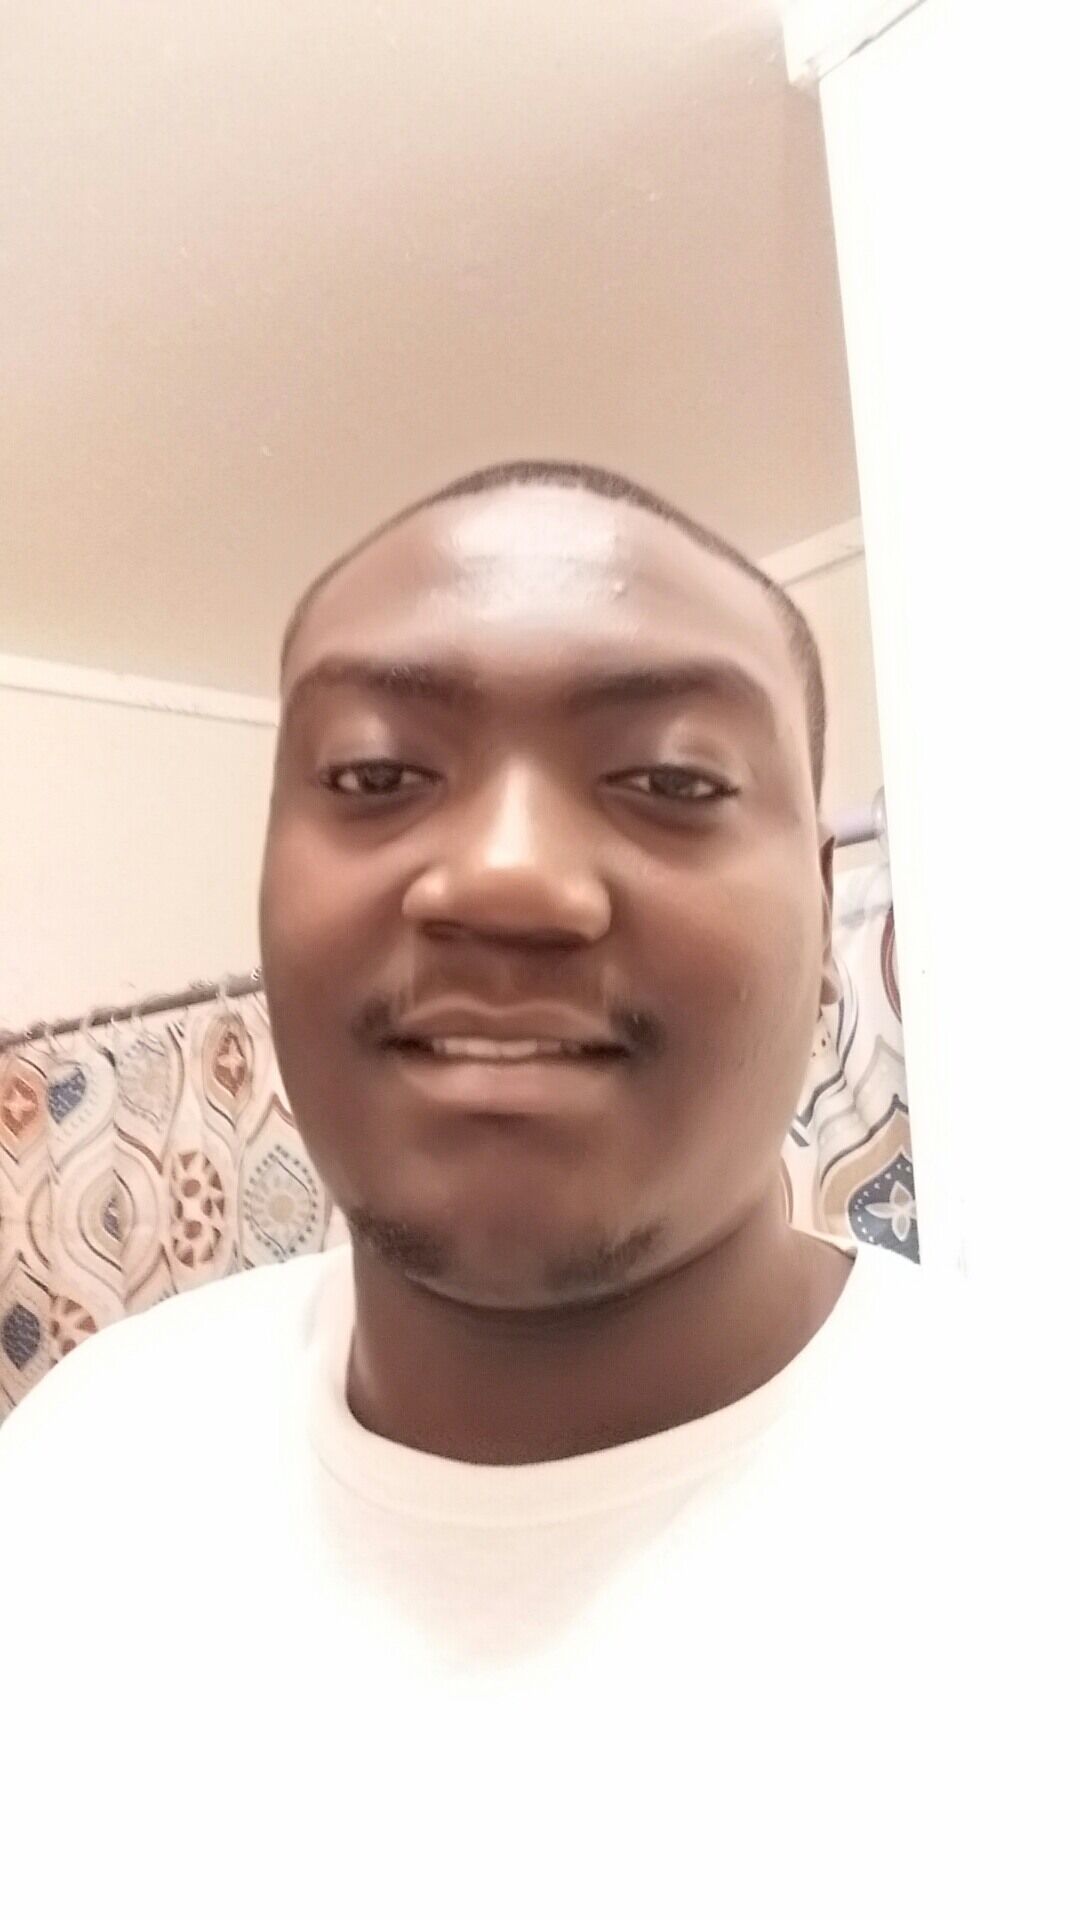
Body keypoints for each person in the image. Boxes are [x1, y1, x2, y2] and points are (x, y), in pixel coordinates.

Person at [0, 463, 1073, 1916]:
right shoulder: (80, 1466)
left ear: (830, 912)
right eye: (375, 776)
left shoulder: (1035, 1514)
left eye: (674, 781)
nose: (504, 877)